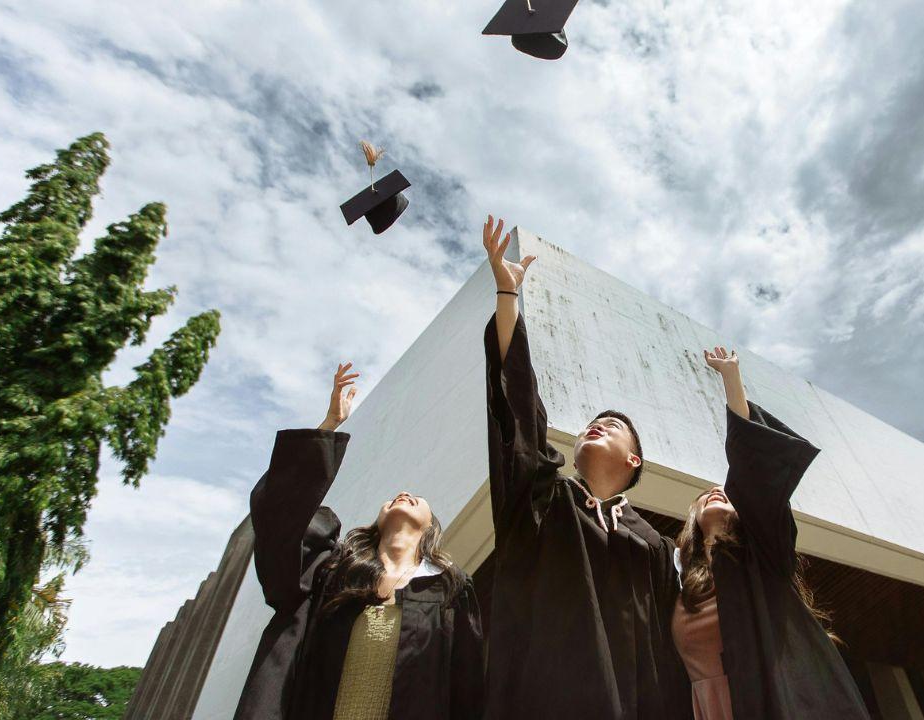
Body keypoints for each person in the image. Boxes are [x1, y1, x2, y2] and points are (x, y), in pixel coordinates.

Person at [480, 215, 690, 719]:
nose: (595, 425)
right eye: (591, 423)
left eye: (611, 426)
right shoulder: (541, 500)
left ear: (634, 459)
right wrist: (508, 296)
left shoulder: (656, 549)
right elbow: (519, 412)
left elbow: (673, 653)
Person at [235, 363, 485, 720]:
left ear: (430, 525)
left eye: (416, 497)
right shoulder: (333, 570)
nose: (403, 493)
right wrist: (328, 426)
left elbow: (467, 690)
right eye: (393, 497)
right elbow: (280, 519)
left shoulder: (450, 590)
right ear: (377, 521)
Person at [672, 346, 871, 720]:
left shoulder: (763, 556)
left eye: (727, 493)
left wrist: (731, 379)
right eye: (706, 495)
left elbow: (754, 470)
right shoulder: (678, 579)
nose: (716, 491)